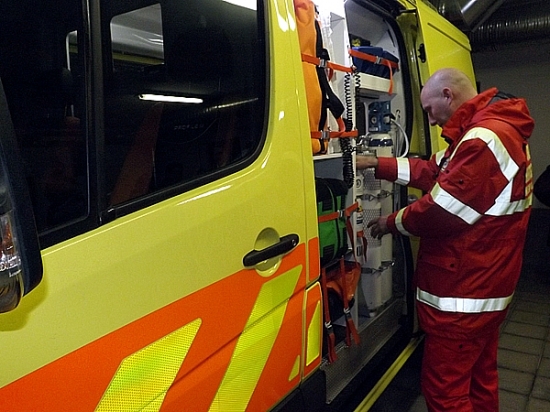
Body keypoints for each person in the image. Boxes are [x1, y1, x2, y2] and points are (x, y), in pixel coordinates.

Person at [357, 67, 534, 411]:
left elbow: (442, 211)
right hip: (485, 290)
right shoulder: (485, 132)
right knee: (480, 382)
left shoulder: (484, 139)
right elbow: (431, 170)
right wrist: (376, 163)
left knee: (445, 393)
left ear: (448, 96)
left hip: (464, 294)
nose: (431, 120)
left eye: (429, 109)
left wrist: (391, 223)